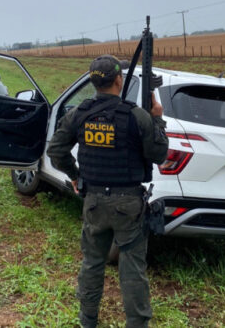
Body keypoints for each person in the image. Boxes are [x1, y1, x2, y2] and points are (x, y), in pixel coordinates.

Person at [46, 55, 169, 328]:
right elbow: (159, 155)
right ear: (118, 80)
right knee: (133, 268)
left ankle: (87, 321)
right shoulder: (137, 116)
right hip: (129, 203)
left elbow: (55, 151)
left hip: (93, 201)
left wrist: (75, 176)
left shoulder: (79, 114)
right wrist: (157, 119)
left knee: (92, 263)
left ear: (92, 82)